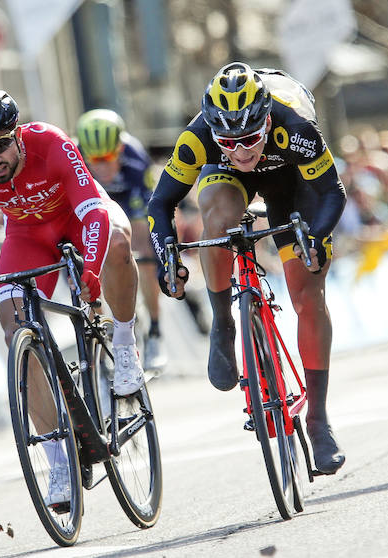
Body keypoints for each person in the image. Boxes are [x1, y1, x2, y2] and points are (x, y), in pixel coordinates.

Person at [0, 87, 146, 505]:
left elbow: (94, 210)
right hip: (28, 236)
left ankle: (124, 343)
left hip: (79, 217)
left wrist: (90, 268)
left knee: (120, 244)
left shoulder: (50, 142)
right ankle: (59, 461)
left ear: (17, 135)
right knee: (16, 331)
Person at [147, 62, 347, 475]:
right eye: (228, 142)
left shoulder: (295, 129)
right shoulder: (198, 136)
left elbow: (333, 193)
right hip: (230, 185)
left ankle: (318, 420)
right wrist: (167, 256)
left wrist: (315, 237)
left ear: (267, 119)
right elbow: (160, 204)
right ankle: (224, 324)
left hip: (295, 180)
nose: (241, 151)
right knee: (217, 220)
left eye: (250, 139)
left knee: (307, 294)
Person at [75, 108, 166, 370]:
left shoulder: (135, 157)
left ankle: (155, 331)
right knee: (85, 259)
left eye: (107, 158)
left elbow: (143, 215)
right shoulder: (75, 156)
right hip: (95, 204)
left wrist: (141, 252)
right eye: (95, 160)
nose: (101, 166)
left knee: (143, 250)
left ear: (119, 148)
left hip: (129, 202)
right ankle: (100, 337)